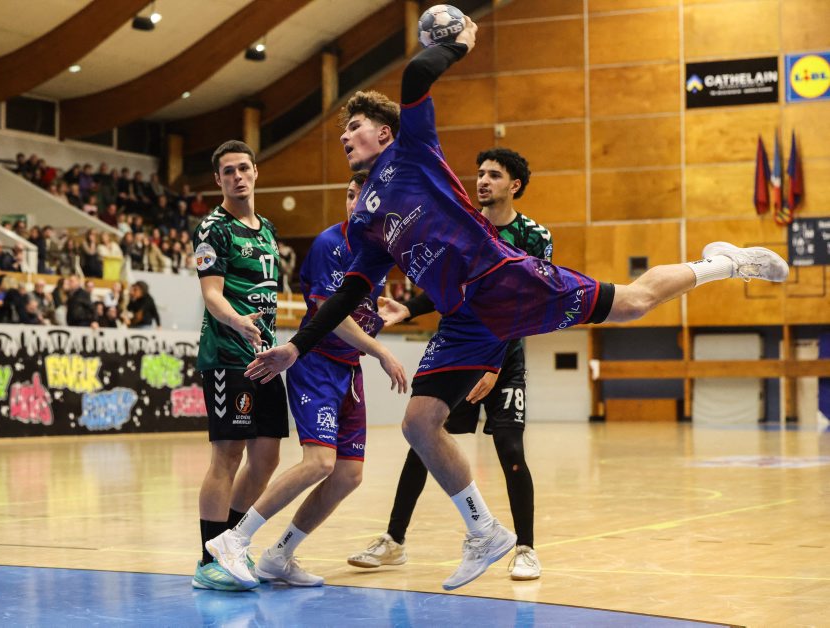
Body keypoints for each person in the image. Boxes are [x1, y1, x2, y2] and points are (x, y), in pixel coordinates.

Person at [245, 18, 789, 591]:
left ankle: (724, 263)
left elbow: (416, 76)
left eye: (353, 126)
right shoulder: (364, 220)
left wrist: (456, 43)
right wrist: (297, 347)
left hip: (504, 282)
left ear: (384, 133)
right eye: (342, 131)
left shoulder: (412, 152)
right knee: (419, 423)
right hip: (463, 317)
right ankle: (484, 532)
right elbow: (349, 293)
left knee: (632, 303)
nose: (344, 136)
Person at [347, 148, 549, 581]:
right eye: (480, 173)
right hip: (459, 352)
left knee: (510, 448)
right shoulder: (464, 224)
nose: (482, 181)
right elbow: (448, 284)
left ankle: (525, 548)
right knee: (423, 439)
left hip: (503, 357)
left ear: (514, 185)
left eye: (494, 175)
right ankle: (393, 540)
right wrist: (410, 309)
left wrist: (494, 365)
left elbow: (529, 304)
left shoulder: (535, 236)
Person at [205, 172, 407, 589]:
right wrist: (381, 350)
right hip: (316, 365)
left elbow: (360, 308)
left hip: (349, 371)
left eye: (364, 196)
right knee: (319, 462)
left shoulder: (380, 251)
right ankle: (233, 539)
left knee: (348, 475)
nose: (355, 203)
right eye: (350, 195)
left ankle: (279, 555)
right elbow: (332, 317)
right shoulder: (329, 244)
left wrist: (387, 314)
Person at [190, 140, 290, 591]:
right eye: (228, 171)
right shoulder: (213, 229)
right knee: (227, 456)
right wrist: (238, 322)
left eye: (243, 168)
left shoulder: (267, 229)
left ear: (255, 172)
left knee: (267, 458)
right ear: (219, 180)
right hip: (227, 358)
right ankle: (209, 560)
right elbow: (211, 294)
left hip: (265, 356)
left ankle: (231, 544)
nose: (237, 176)